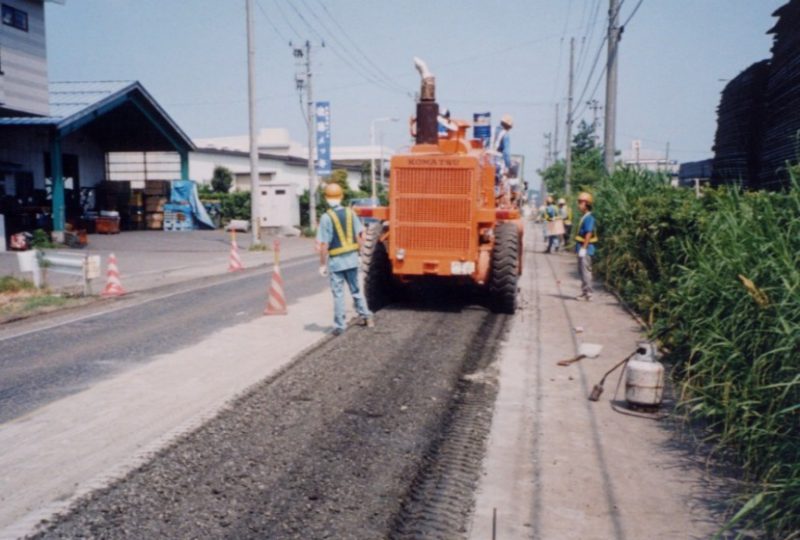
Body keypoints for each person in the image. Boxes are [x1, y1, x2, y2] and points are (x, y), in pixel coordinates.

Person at [316, 183, 374, 335]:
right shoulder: (351, 213)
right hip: (352, 259)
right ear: (341, 196)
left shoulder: (325, 217)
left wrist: (322, 264)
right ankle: (367, 316)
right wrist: (361, 255)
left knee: (338, 294)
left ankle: (340, 326)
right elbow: (360, 236)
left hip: (336, 263)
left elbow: (323, 244)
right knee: (356, 290)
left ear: (326, 198)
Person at [575, 191, 597, 301]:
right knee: (582, 271)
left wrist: (583, 248)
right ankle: (584, 292)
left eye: (580, 202)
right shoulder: (584, 216)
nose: (579, 205)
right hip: (582, 248)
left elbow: (588, 233)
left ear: (586, 204)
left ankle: (588, 293)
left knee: (585, 271)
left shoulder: (589, 218)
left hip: (586, 249)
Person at [491, 114, 513, 197]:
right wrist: (508, 166)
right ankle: (495, 194)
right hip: (496, 159)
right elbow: (506, 153)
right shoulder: (505, 135)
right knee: (497, 181)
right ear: (508, 126)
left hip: (484, 158)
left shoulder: (491, 129)